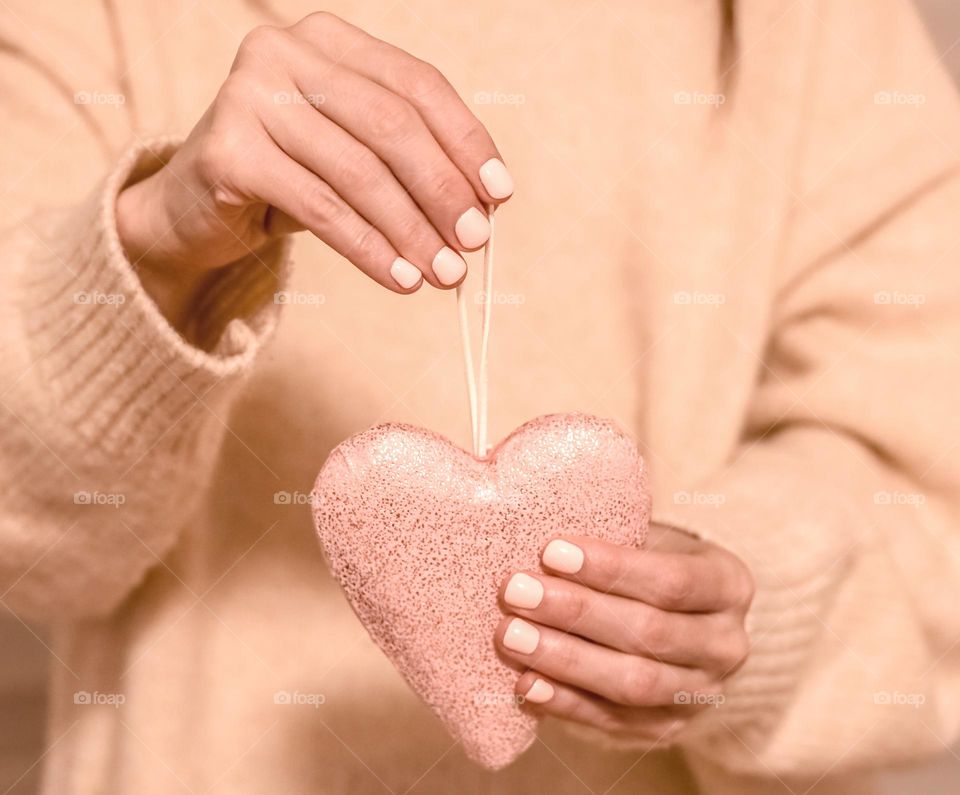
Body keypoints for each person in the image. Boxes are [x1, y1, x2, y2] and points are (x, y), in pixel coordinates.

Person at [1, 1, 959, 793]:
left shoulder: (818, 25)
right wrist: (155, 247)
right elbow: (26, 543)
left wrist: (746, 609)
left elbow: (930, 494)